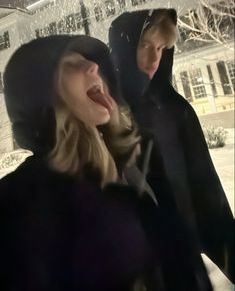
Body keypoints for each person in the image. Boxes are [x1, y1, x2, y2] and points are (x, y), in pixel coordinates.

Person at [0, 34, 158, 291]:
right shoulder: (16, 204)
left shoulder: (125, 171)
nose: (93, 66)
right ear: (39, 95)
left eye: (90, 60)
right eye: (69, 64)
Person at [109, 8, 234, 284]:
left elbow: (207, 193)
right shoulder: (110, 116)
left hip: (187, 256)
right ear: (124, 47)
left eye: (161, 47)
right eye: (144, 45)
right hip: (144, 264)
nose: (155, 58)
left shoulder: (177, 109)